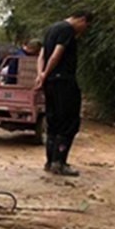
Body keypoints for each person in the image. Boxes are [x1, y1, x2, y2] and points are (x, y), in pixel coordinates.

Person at [35, 11, 93, 176]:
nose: (83, 30)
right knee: (69, 122)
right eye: (86, 26)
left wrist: (41, 75)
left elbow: (42, 55)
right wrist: (45, 73)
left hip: (50, 83)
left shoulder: (51, 29)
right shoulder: (67, 30)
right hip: (63, 81)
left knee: (53, 121)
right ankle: (59, 162)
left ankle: (50, 161)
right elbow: (56, 54)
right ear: (82, 19)